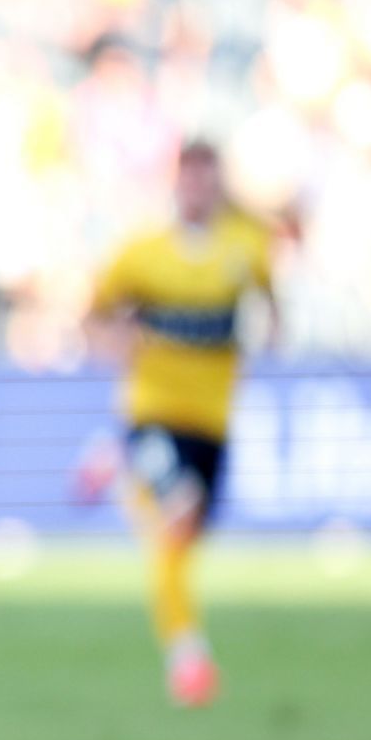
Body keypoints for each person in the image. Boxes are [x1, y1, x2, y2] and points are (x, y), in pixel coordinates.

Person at [84, 140, 277, 707]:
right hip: (154, 412)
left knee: (185, 539)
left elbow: (271, 300)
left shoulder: (246, 248)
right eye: (189, 179)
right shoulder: (143, 253)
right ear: (177, 184)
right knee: (179, 512)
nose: (197, 190)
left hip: (213, 421)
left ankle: (114, 461)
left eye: (207, 179)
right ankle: (188, 658)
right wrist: (114, 343)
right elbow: (95, 311)